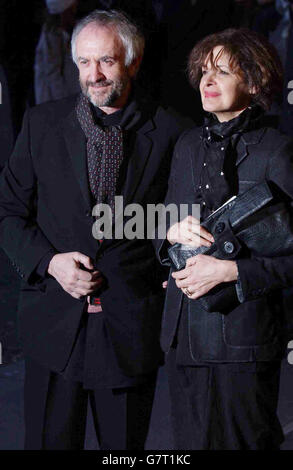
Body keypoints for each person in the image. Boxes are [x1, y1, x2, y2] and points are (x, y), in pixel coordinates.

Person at [0, 9, 185, 450]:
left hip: (128, 329)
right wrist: (49, 262)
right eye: (84, 62)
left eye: (106, 60)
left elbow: (180, 222)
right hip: (53, 329)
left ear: (133, 62)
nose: (94, 75)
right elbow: (7, 211)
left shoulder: (174, 132)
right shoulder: (41, 125)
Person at [158, 28, 293, 450]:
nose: (207, 81)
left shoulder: (279, 151)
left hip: (245, 338)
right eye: (203, 72)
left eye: (221, 72)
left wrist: (232, 270)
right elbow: (165, 233)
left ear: (253, 83)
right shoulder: (185, 145)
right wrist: (169, 234)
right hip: (184, 336)